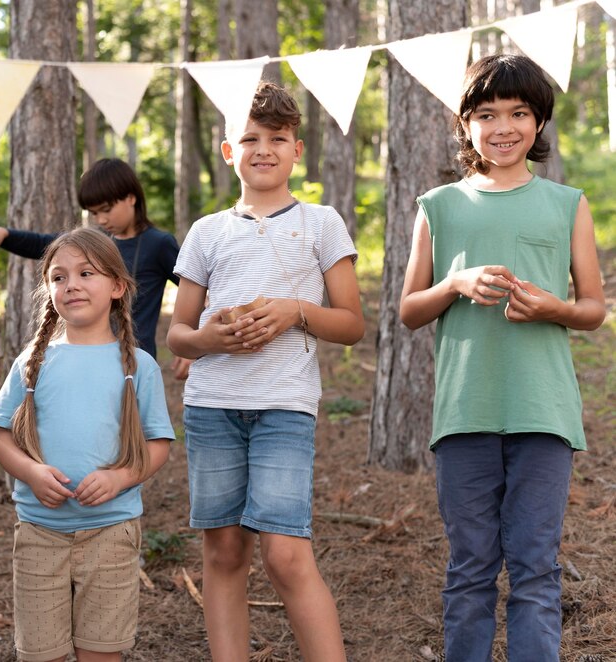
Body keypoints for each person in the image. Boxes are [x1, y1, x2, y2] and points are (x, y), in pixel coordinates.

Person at [400, 54, 605, 661]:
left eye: (519, 113)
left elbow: (593, 308)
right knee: (470, 569)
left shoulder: (567, 203)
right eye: (486, 114)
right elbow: (409, 310)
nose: (503, 127)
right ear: (465, 124)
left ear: (538, 123)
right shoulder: (439, 205)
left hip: (544, 412)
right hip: (465, 412)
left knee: (536, 568)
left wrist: (554, 308)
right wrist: (454, 284)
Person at [167, 80, 363, 661]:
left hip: (284, 407)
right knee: (225, 552)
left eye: (277, 138)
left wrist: (294, 312)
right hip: (212, 408)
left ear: (296, 150)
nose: (263, 149)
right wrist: (210, 339)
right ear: (229, 150)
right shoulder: (207, 232)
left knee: (285, 554)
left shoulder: (322, 224)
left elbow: (351, 324)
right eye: (250, 138)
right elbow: (178, 334)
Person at [0, 227, 175, 662]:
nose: (71, 285)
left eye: (86, 273)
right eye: (59, 277)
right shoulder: (33, 362)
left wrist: (120, 478)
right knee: (40, 652)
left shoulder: (139, 366)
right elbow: (0, 436)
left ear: (117, 287)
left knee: (101, 650)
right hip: (39, 532)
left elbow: (158, 444)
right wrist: (31, 472)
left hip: (111, 530)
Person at [0, 158, 184, 372]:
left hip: (135, 364)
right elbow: (45, 243)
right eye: (94, 213)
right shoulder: (96, 240)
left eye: (106, 209)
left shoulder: (159, 244)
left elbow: (195, 290)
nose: (101, 219)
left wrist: (190, 341)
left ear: (131, 198)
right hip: (89, 357)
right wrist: (6, 235)